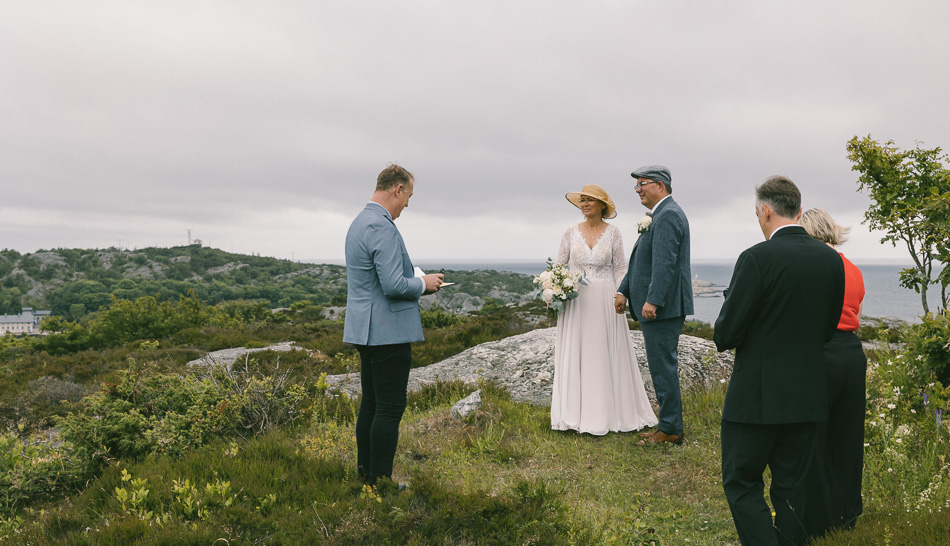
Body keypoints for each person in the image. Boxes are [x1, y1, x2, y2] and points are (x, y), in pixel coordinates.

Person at [714, 176, 845, 546]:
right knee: (792, 487)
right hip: (808, 393)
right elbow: (828, 328)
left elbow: (725, 334)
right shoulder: (831, 260)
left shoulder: (756, 258)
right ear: (799, 212)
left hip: (755, 399)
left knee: (741, 480)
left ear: (765, 211)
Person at [342, 164, 444, 486]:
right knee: (389, 408)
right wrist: (423, 284)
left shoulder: (360, 221)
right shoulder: (381, 226)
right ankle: (381, 484)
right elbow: (393, 286)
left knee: (371, 404)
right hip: (387, 331)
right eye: (408, 196)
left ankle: (366, 476)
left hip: (364, 329)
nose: (407, 205)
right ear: (397, 189)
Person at [550, 184, 658, 435]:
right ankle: (574, 413)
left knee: (602, 351)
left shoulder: (614, 233)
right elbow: (559, 265)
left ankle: (610, 412)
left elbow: (621, 267)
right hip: (576, 301)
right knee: (579, 351)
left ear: (602, 205)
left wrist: (622, 293)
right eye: (583, 201)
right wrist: (555, 289)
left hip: (605, 300)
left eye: (590, 200)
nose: (585, 204)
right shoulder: (569, 232)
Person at [799, 208, 867, 537]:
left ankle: (816, 519)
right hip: (852, 353)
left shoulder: (811, 265)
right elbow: (855, 311)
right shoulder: (852, 268)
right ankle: (846, 514)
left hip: (821, 352)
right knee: (848, 438)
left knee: (813, 438)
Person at [615, 165, 693, 446]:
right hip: (660, 306)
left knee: (663, 367)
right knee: (661, 366)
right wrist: (623, 290)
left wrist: (653, 301)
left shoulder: (669, 215)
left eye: (642, 184)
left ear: (660, 185)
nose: (637, 190)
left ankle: (671, 429)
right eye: (636, 185)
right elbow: (641, 262)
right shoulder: (659, 215)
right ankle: (667, 424)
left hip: (664, 308)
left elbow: (664, 264)